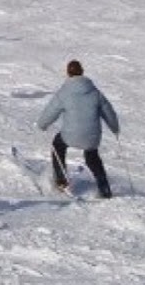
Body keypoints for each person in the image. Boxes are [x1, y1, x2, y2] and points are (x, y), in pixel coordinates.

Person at [36, 60, 118, 199]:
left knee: (58, 144)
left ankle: (61, 181)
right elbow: (108, 112)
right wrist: (115, 128)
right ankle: (105, 190)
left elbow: (51, 111)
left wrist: (42, 124)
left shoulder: (64, 92)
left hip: (70, 136)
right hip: (92, 137)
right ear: (82, 71)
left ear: (68, 73)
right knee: (92, 157)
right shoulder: (95, 92)